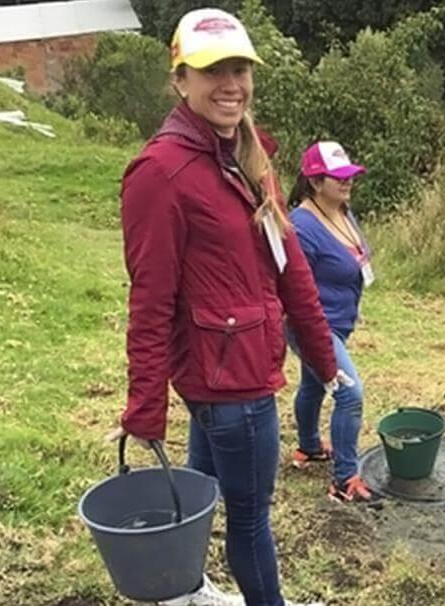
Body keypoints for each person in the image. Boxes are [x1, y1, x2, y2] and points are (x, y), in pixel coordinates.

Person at [108, 8, 342, 606]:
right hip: (232, 385)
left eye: (239, 68)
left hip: (231, 371)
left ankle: (191, 590)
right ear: (181, 79)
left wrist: (322, 356)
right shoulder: (160, 174)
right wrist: (144, 409)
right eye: (212, 70)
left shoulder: (247, 156)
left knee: (208, 488)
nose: (230, 83)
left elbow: (289, 270)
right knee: (250, 520)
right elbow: (151, 301)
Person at [285, 141, 376, 503]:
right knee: (349, 393)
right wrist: (313, 336)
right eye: (338, 177)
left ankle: (309, 447)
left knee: (313, 383)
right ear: (315, 181)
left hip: (338, 322)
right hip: (313, 326)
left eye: (350, 174)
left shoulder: (342, 211)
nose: (347, 181)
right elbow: (291, 290)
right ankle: (344, 480)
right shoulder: (300, 228)